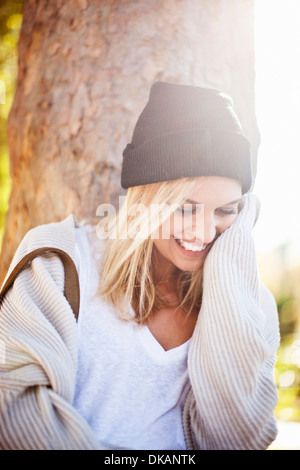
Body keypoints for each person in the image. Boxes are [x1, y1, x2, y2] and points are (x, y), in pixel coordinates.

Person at [0, 82, 280, 450]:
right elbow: (12, 403)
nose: (204, 231)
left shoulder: (253, 306)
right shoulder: (61, 260)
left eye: (226, 210)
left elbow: (242, 435)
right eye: (185, 207)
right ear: (146, 199)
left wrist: (231, 267)